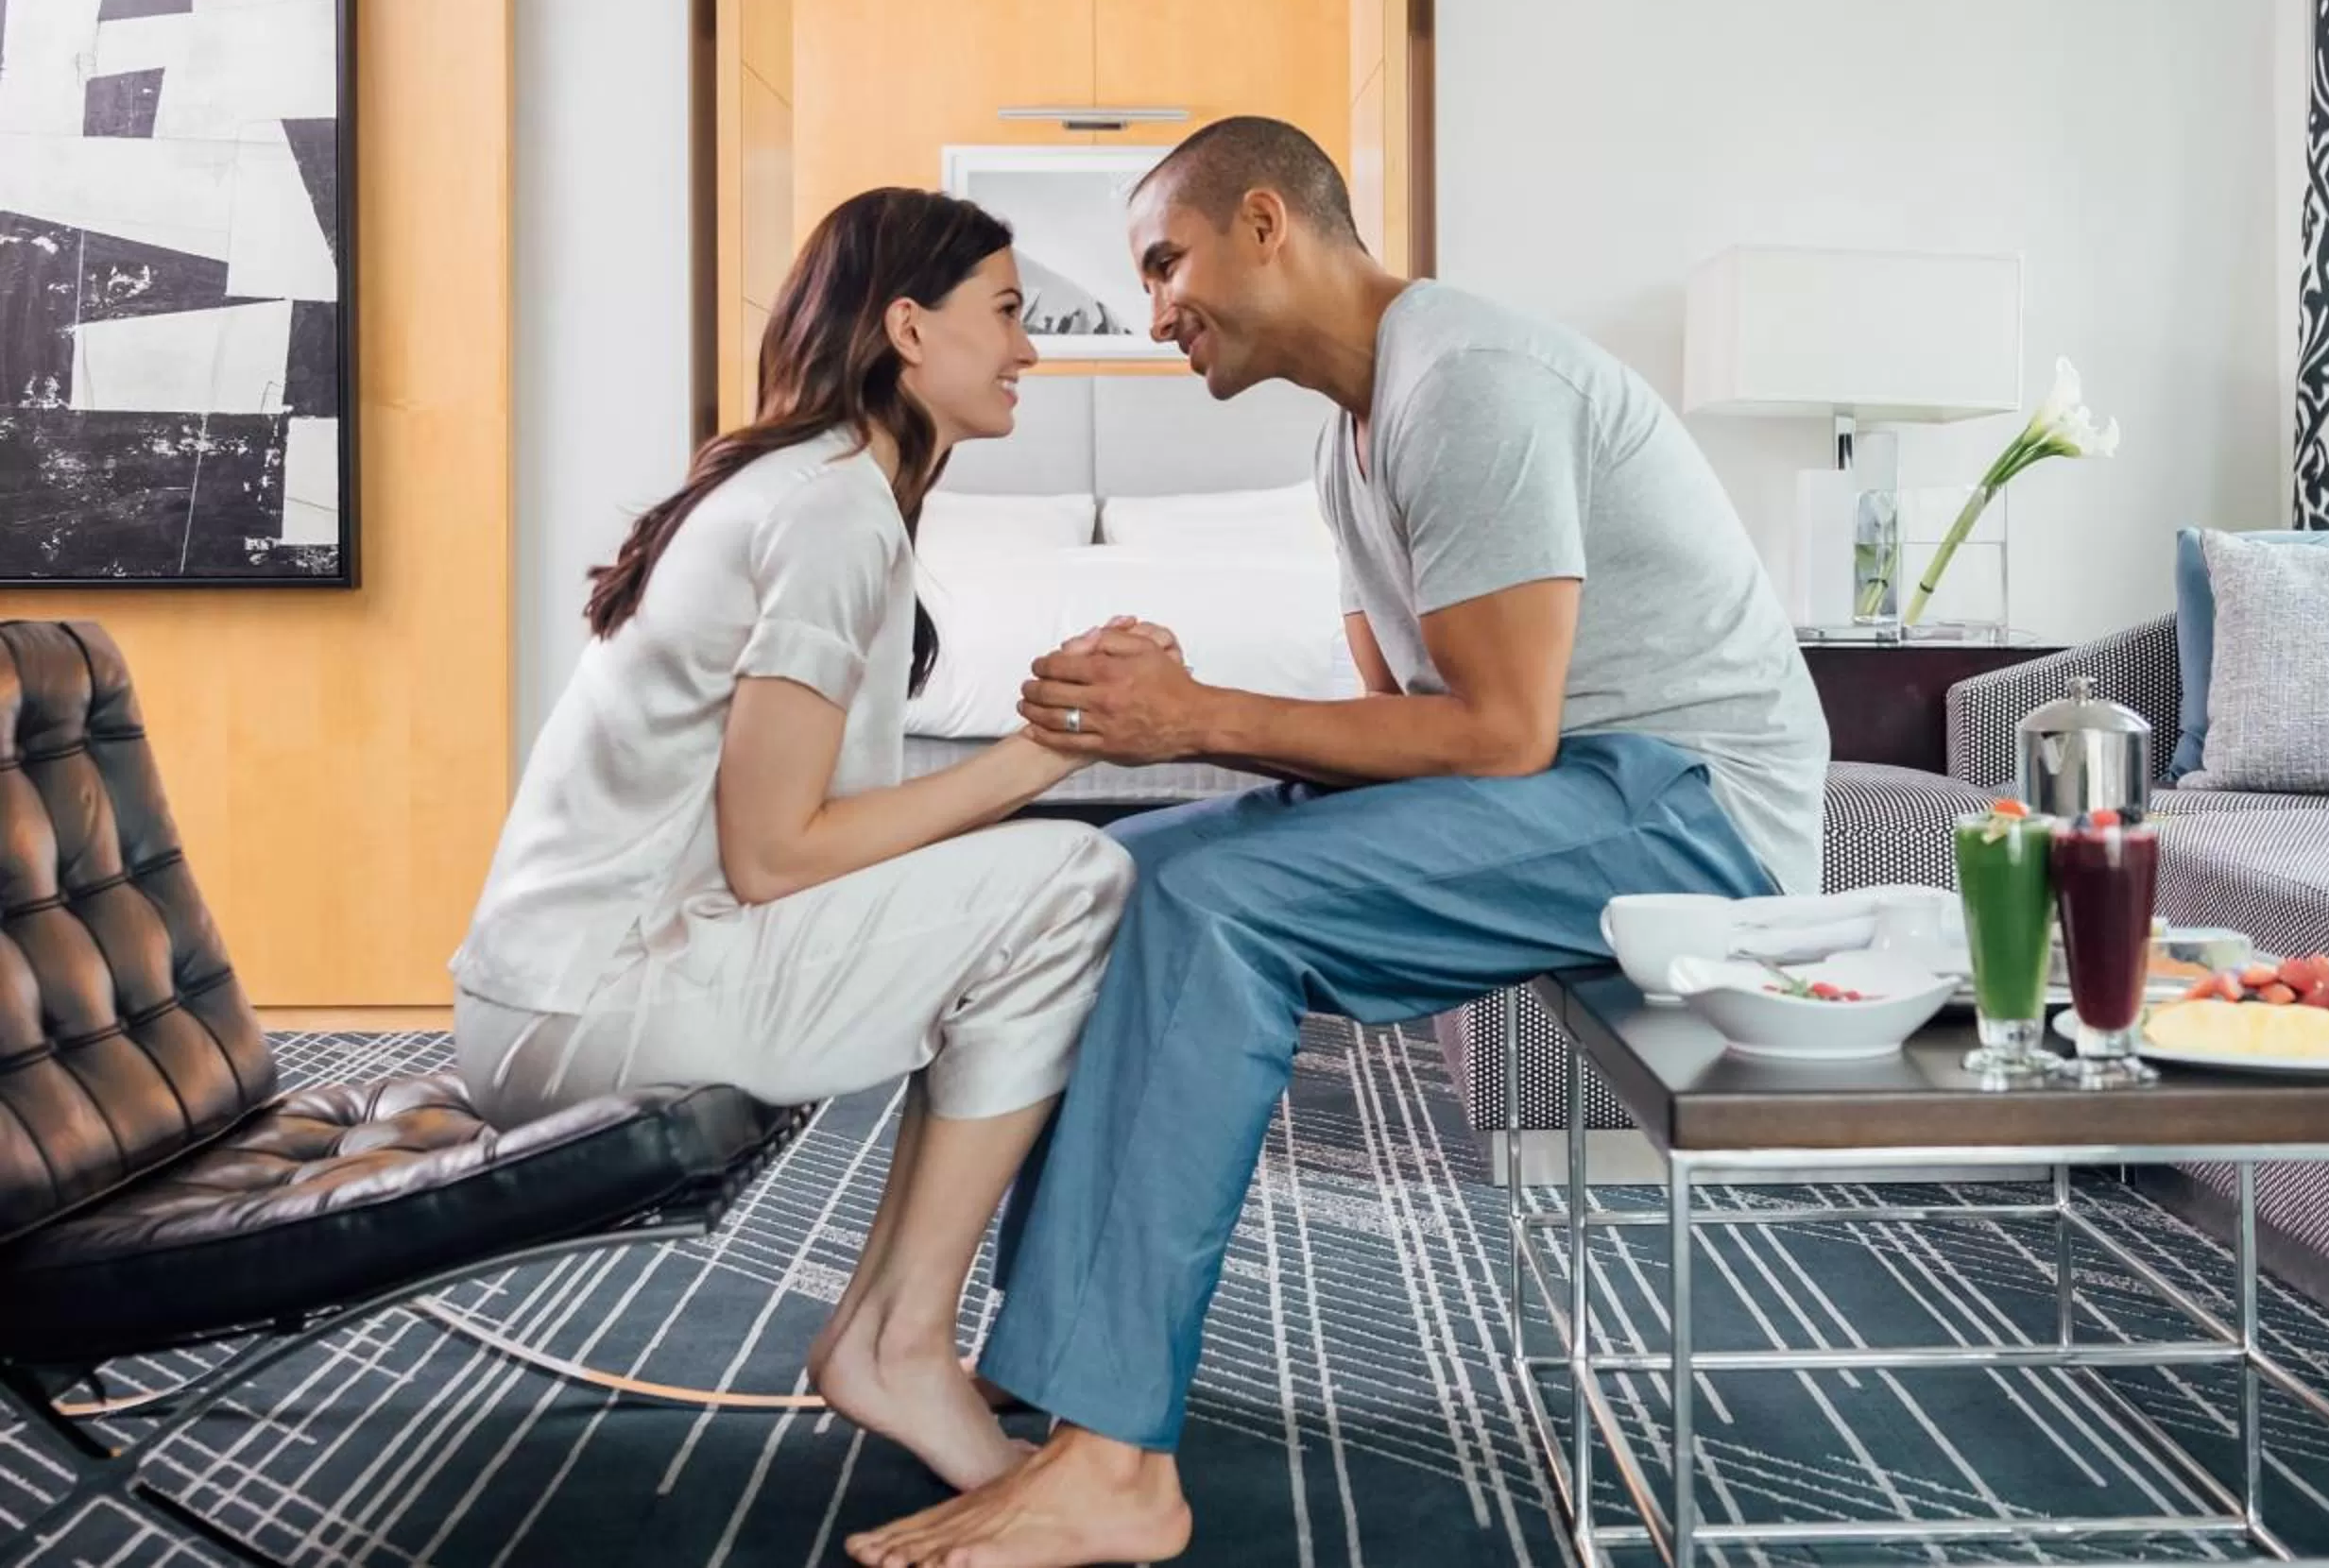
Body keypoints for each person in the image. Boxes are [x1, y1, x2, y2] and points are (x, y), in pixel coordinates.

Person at [845, 119, 1828, 1568]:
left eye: (1165, 262)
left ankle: (1118, 1466)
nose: (1153, 308)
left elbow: (1498, 733)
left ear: (1266, 222)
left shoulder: (1468, 383)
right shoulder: (1347, 448)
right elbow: (1395, 729)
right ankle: (1050, 1367)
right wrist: (1187, 721)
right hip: (1576, 789)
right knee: (1128, 873)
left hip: (1693, 808)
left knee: (1225, 902)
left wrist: (1192, 711)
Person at [449, 187, 1137, 1498]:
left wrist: (1031, 753)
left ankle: (890, 1330)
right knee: (1082, 876)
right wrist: (1042, 759)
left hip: (558, 985)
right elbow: (776, 853)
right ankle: (901, 1337)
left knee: (1032, 888)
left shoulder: (813, 485)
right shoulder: (829, 509)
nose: (1030, 350)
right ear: (907, 329)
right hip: (594, 1000)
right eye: (1005, 313)